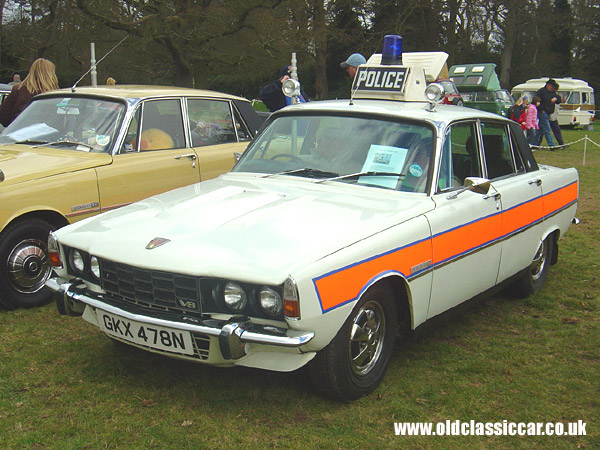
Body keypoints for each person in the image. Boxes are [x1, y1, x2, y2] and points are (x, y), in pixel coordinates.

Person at [0, 58, 58, 127]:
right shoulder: (55, 95)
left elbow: (3, 116)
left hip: (17, 133)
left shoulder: (18, 89)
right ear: (51, 74)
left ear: (32, 71)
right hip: (45, 134)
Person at [534, 78, 561, 147]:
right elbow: (536, 101)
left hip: (548, 113)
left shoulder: (552, 93)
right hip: (542, 112)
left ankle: (534, 143)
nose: (553, 88)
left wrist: (556, 99)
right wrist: (541, 109)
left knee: (540, 130)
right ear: (548, 85)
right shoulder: (541, 92)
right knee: (547, 129)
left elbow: (559, 99)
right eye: (552, 86)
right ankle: (551, 144)